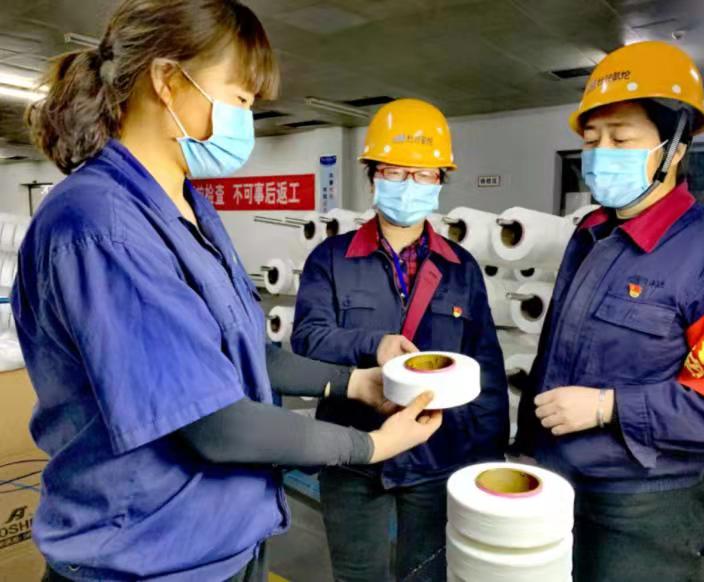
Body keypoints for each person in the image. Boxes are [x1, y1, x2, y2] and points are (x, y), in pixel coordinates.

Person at [12, 2, 443, 580]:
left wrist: (355, 382)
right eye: (239, 98)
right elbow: (217, 424)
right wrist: (370, 447)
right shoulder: (101, 225)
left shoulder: (188, 208)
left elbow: (245, 355)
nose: (246, 119)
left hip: (222, 541)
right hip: (146, 558)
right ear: (167, 80)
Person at [514, 41, 704, 582]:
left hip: (641, 506)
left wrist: (609, 407)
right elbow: (554, 353)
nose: (600, 153)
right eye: (591, 140)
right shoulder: (590, 234)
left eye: (620, 139)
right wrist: (528, 449)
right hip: (554, 482)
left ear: (676, 147)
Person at [291, 98, 509, 582]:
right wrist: (374, 344)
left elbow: (486, 368)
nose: (409, 185)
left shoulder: (461, 268)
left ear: (439, 182)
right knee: (358, 576)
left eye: (423, 174)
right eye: (394, 171)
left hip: (437, 456)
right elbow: (307, 339)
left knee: (426, 575)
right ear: (373, 176)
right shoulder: (331, 259)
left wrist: (488, 457)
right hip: (354, 450)